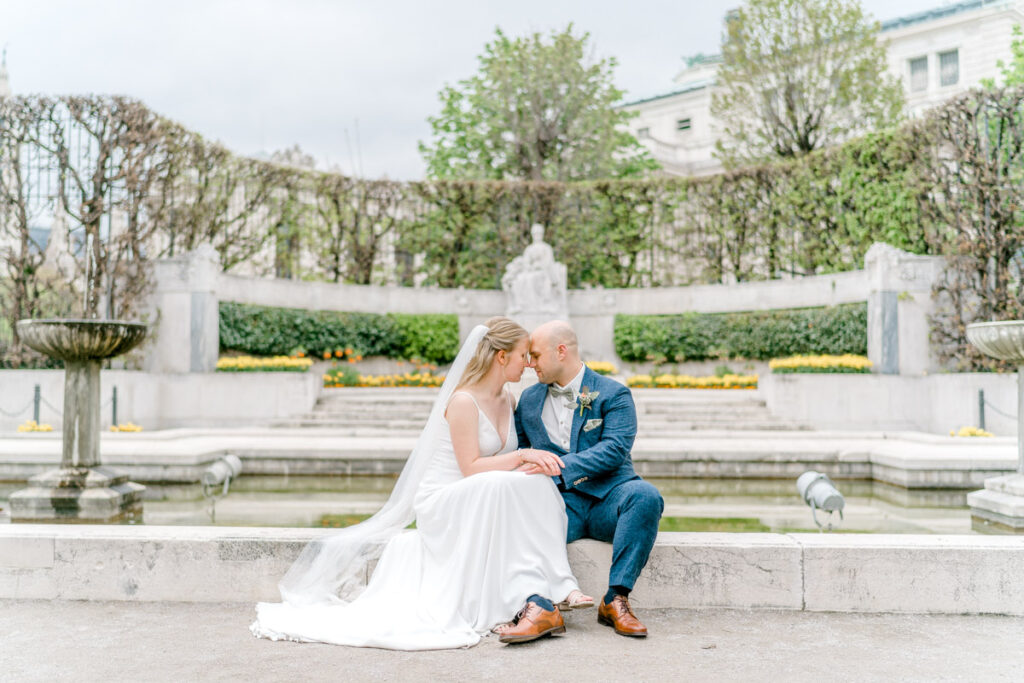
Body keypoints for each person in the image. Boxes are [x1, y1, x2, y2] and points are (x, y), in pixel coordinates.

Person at [250, 317, 592, 650]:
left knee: (538, 481)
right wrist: (523, 456)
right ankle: (529, 599)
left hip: (482, 492)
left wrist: (531, 461)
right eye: (523, 356)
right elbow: (471, 468)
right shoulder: (462, 401)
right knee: (506, 482)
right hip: (444, 499)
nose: (529, 365)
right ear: (502, 357)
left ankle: (560, 586)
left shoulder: (510, 400)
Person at [515, 320, 664, 638]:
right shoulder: (527, 400)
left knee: (646, 496)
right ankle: (541, 606)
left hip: (609, 498)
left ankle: (616, 599)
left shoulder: (614, 393)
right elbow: (521, 450)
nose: (530, 364)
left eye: (536, 356)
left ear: (561, 351)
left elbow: (614, 450)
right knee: (515, 514)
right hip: (558, 504)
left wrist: (557, 468)